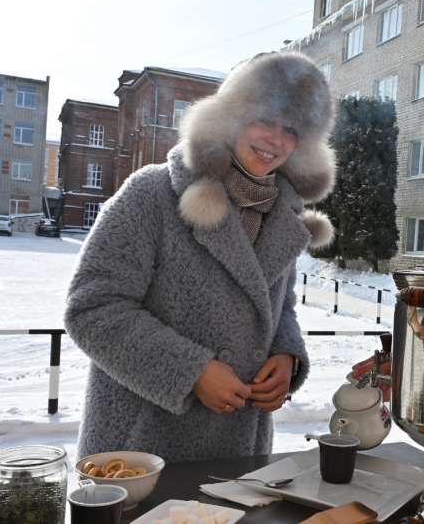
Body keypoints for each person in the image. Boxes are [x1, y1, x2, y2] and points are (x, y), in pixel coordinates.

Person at [64, 52, 336, 463]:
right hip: (140, 454)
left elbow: (278, 307)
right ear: (231, 116)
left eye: (292, 129)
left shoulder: (284, 215)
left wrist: (287, 356)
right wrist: (190, 371)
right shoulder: (151, 193)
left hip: (238, 450)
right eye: (264, 119)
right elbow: (92, 309)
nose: (276, 141)